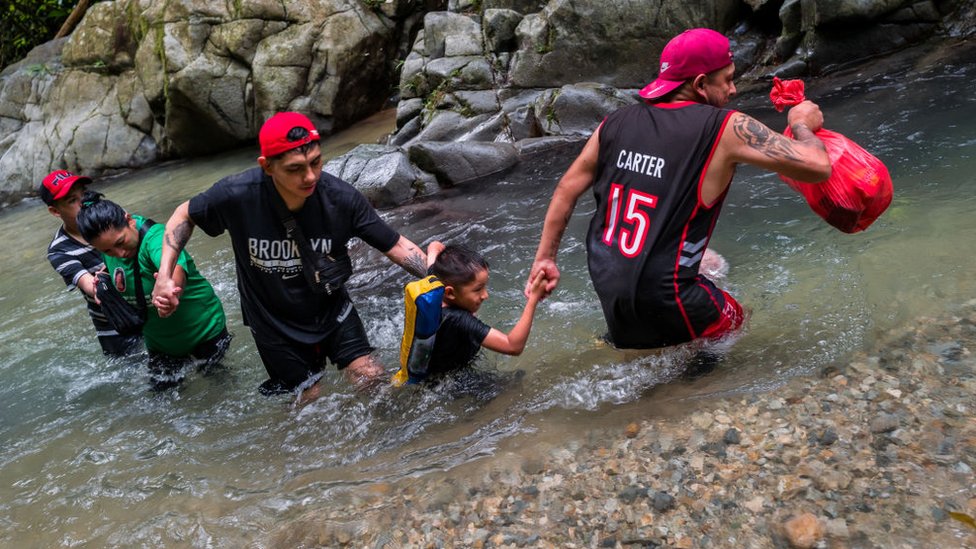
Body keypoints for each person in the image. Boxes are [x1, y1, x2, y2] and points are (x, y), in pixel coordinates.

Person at [526, 28, 831, 349]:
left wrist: (545, 259)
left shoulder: (614, 123)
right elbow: (818, 167)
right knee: (737, 324)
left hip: (608, 279)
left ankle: (630, 349)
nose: (733, 89)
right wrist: (801, 123)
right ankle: (695, 388)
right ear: (700, 84)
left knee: (708, 264)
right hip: (662, 292)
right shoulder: (726, 127)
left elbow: (566, 188)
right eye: (726, 79)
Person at [150, 111, 431, 397]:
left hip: (331, 307)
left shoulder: (341, 199)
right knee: (310, 400)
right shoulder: (237, 195)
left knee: (371, 379)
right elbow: (183, 215)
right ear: (267, 166)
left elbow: (396, 245)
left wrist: (439, 282)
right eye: (295, 169)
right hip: (272, 322)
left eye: (315, 162)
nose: (310, 176)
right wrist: (165, 275)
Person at [76, 193, 230, 389]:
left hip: (203, 332)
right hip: (160, 344)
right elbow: (119, 268)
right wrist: (104, 282)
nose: (119, 254)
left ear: (129, 220)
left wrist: (170, 290)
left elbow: (176, 270)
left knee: (219, 387)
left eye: (120, 243)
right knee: (162, 403)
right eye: (107, 251)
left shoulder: (156, 238)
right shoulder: (111, 247)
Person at [40, 170, 141, 356]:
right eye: (72, 201)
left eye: (84, 194)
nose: (83, 203)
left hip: (146, 302)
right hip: (115, 323)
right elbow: (92, 287)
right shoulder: (59, 250)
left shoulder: (114, 219)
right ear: (55, 211)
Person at [417, 242, 548, 380]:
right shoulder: (457, 319)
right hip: (447, 382)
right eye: (478, 289)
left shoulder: (435, 282)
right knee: (515, 383)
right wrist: (533, 298)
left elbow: (433, 246)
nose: (485, 295)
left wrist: (451, 261)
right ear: (450, 293)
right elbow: (513, 346)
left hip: (433, 369)